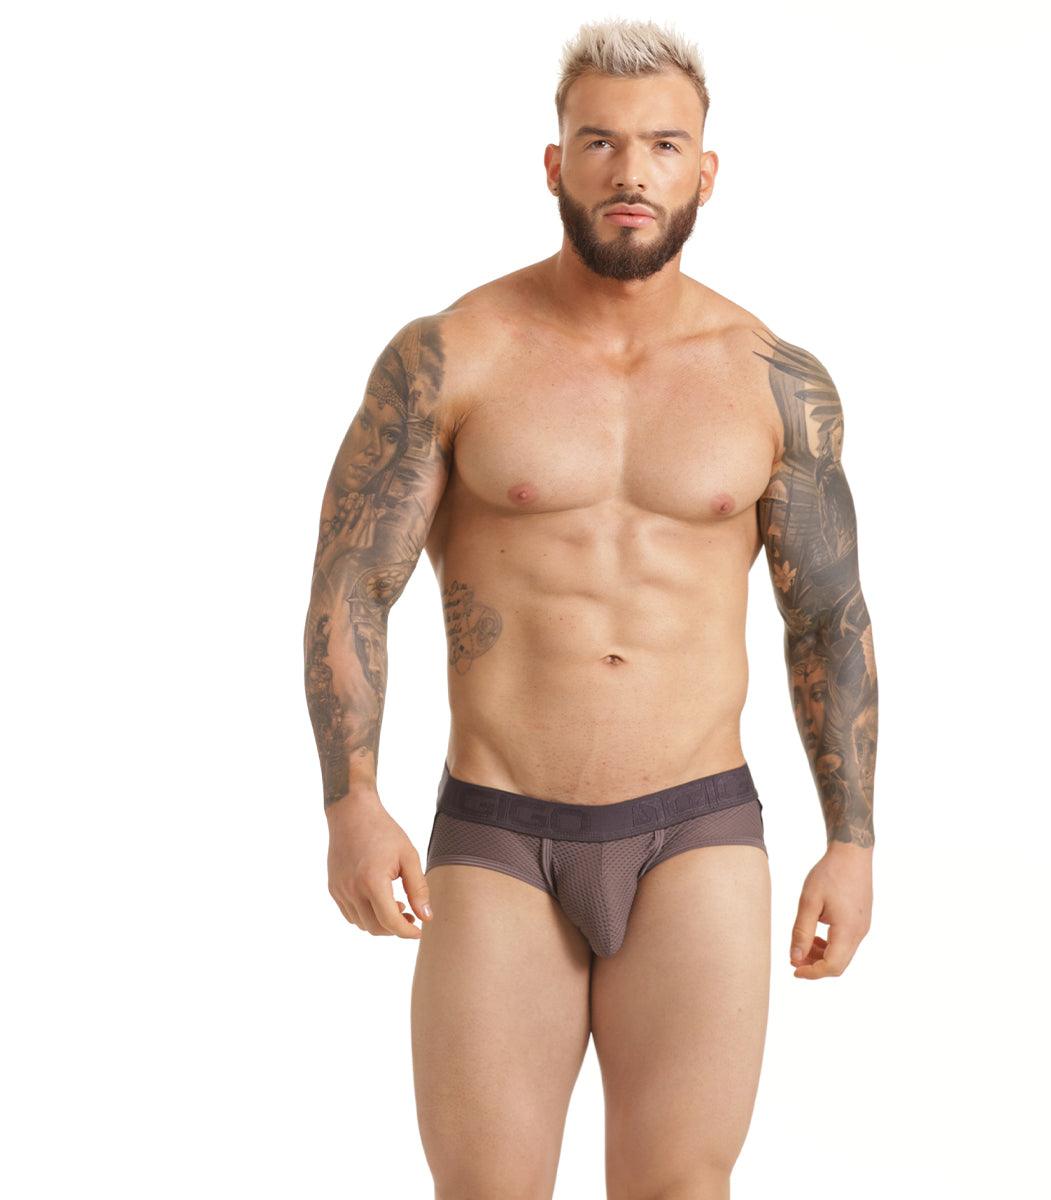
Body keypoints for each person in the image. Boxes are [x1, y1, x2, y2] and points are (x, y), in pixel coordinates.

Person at [303, 17, 878, 1198]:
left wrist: (853, 841)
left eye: (663, 145)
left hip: (698, 833)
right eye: (600, 142)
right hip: (500, 831)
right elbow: (354, 581)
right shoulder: (450, 357)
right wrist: (351, 803)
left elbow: (826, 616)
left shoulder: (774, 380)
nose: (631, 171)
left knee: (680, 1189)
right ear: (554, 162)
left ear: (705, 171)